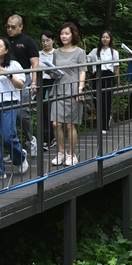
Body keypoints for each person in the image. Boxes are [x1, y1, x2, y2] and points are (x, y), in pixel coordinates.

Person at [0, 36, 29, 194]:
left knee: (8, 135)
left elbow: (21, 84)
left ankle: (20, 157)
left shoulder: (14, 64)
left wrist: (9, 75)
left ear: (7, 49)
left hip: (10, 102)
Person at [4, 15, 41, 159]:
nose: (10, 29)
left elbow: (35, 64)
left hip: (24, 78)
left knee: (21, 113)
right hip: (7, 80)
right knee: (8, 113)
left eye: (13, 27)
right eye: (8, 26)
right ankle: (14, 148)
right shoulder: (4, 42)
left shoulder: (28, 42)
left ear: (21, 27)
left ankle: (31, 139)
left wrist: (34, 82)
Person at [50, 22, 86, 166]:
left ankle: (72, 154)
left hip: (72, 90)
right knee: (55, 123)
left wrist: (80, 89)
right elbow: (54, 70)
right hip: (58, 89)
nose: (63, 36)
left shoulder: (80, 52)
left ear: (73, 34)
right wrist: (52, 73)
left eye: (67, 33)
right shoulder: (56, 52)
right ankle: (60, 152)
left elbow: (82, 71)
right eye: (62, 33)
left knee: (70, 125)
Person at [88, 29, 119, 133]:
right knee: (97, 100)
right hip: (97, 76)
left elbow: (116, 67)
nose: (105, 39)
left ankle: (105, 125)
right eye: (103, 37)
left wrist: (118, 80)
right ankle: (101, 122)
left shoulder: (114, 52)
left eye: (107, 37)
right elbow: (86, 60)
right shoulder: (94, 51)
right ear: (100, 38)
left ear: (110, 39)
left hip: (108, 75)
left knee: (107, 100)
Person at [39, 30, 61, 150]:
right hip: (42, 83)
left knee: (51, 110)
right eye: (43, 41)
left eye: (48, 40)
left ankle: (50, 138)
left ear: (53, 41)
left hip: (53, 82)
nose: (45, 43)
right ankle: (47, 138)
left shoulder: (57, 53)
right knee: (43, 110)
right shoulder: (38, 54)